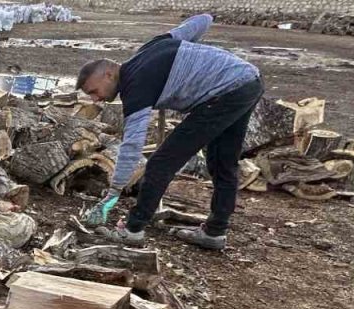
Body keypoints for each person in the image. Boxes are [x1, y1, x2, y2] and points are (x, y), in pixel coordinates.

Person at [77, 14, 262, 250]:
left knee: (160, 164)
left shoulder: (136, 87)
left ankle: (133, 229)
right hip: (248, 80)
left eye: (94, 91)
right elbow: (203, 20)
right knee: (223, 161)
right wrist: (189, 62)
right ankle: (215, 233)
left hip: (224, 94)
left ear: (109, 74)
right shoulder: (152, 47)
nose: (95, 99)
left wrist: (114, 190)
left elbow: (132, 146)